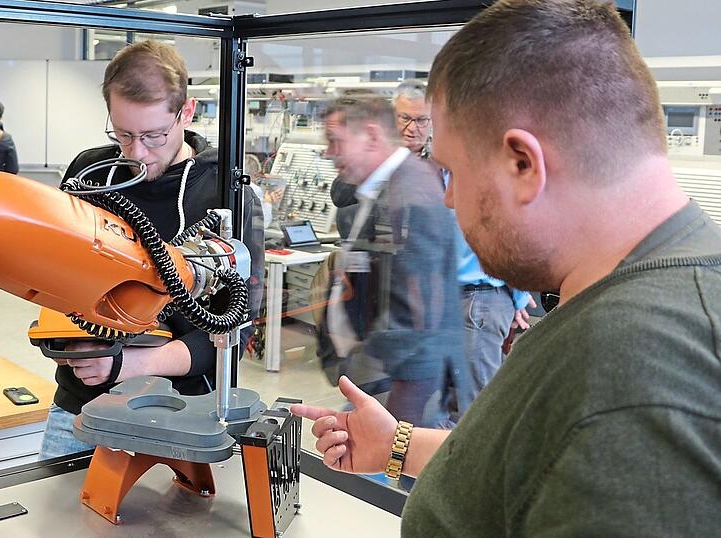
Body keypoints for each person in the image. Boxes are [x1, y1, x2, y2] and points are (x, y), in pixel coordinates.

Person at [292, 0, 721, 535]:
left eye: (452, 172)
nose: (449, 201)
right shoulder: (624, 299)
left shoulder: (636, 362)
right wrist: (400, 445)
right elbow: (535, 459)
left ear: (523, 164)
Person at [38, 40, 263, 459]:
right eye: (123, 134)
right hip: (80, 405)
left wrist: (130, 364)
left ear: (187, 112)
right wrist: (73, 344)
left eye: (154, 135)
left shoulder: (224, 193)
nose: (137, 152)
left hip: (181, 413)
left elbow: (236, 327)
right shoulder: (89, 174)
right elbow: (57, 278)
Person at [320, 93, 464, 428]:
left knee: (396, 456)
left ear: (371, 136)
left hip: (399, 380)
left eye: (336, 141)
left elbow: (416, 311)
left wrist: (366, 365)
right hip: (380, 373)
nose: (329, 152)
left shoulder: (411, 191)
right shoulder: (382, 185)